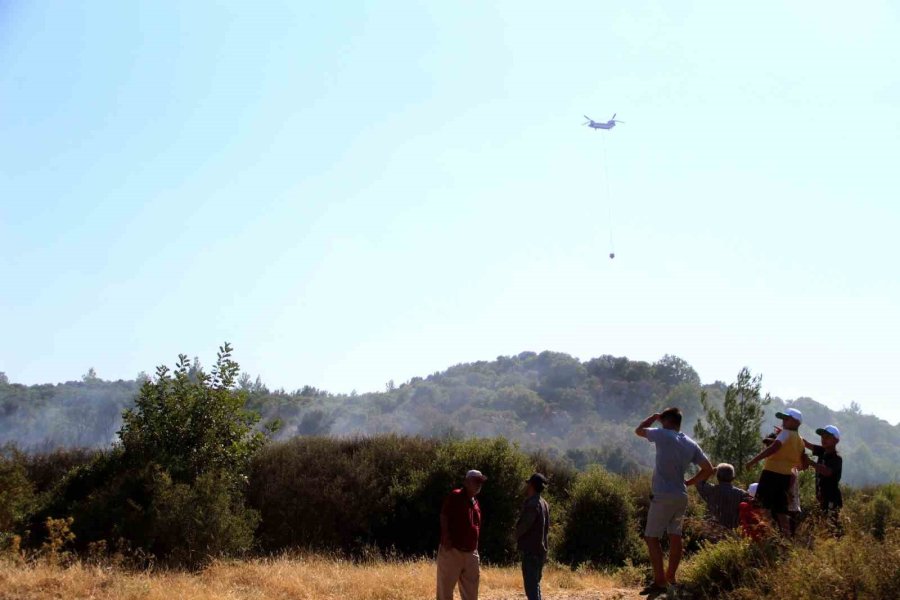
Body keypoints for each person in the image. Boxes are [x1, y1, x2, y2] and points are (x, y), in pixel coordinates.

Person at [635, 407, 714, 594]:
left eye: (663, 420)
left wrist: (653, 418)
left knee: (651, 537)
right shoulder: (690, 443)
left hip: (662, 495)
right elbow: (708, 469)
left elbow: (638, 431)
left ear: (668, 421)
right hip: (681, 495)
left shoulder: (662, 434)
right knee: (675, 536)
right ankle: (671, 578)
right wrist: (690, 482)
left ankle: (660, 581)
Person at [746, 408, 806, 536]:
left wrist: (753, 461)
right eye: (783, 418)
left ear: (796, 422)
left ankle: (765, 536)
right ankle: (786, 538)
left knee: (762, 506)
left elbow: (774, 448)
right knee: (781, 510)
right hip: (785, 477)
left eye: (787, 419)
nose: (783, 421)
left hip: (771, 474)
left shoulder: (785, 434)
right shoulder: (800, 441)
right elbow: (802, 464)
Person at [437, 469, 487, 600]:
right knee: (445, 591)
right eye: (476, 481)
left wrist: (475, 547)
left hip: (471, 553)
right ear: (466, 482)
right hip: (453, 551)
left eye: (480, 482)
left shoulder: (475, 502)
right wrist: (446, 537)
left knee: (471, 593)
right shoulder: (456, 495)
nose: (479, 484)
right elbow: (444, 515)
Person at [516, 473, 550, 600]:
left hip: (531, 552)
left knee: (531, 589)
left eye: (528, 484)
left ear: (531, 485)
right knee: (535, 586)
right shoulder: (544, 504)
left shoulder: (533, 504)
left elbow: (525, 525)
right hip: (541, 551)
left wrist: (514, 536)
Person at [803, 425, 843, 521]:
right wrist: (787, 434)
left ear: (836, 440)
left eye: (827, 437)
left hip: (831, 498)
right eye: (822, 437)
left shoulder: (836, 458)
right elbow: (805, 443)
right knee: (823, 524)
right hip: (821, 497)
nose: (823, 439)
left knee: (831, 524)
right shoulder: (822, 451)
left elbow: (827, 472)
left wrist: (810, 462)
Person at [696, 463, 749, 530]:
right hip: (732, 533)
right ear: (733, 477)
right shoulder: (741, 494)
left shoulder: (711, 489)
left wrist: (710, 471)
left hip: (711, 531)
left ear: (717, 476)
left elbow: (698, 483)